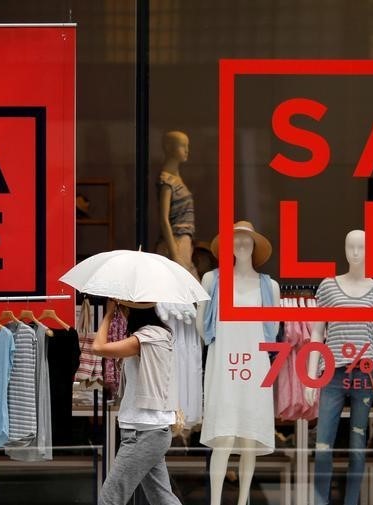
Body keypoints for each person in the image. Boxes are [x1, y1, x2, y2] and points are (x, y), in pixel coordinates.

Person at [304, 229, 373, 505]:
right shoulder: (328, 287)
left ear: (370, 251)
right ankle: (320, 501)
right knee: (322, 446)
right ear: (344, 249)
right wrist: (310, 376)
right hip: (332, 374)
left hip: (365, 375)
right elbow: (317, 333)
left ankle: (351, 501)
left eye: (361, 247)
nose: (355, 252)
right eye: (350, 246)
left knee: (357, 448)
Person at [196, 220, 279, 505]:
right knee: (224, 437)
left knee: (248, 439)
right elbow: (200, 326)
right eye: (237, 239)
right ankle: (215, 501)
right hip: (222, 368)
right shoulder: (212, 280)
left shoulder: (270, 287)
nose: (242, 244)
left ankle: (243, 500)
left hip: (255, 368)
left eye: (247, 240)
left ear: (255, 245)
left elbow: (274, 332)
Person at [92, 300, 181, 505]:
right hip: (150, 429)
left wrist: (108, 315)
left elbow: (98, 347)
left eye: (124, 309)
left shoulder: (146, 338)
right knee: (161, 497)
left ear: (131, 310)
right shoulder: (153, 337)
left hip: (144, 431)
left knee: (110, 497)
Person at [156, 131, 198, 278]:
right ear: (168, 147)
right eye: (182, 145)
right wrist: (174, 253)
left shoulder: (175, 179)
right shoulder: (167, 182)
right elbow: (164, 219)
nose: (187, 150)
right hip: (176, 242)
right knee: (189, 288)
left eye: (187, 146)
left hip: (184, 242)